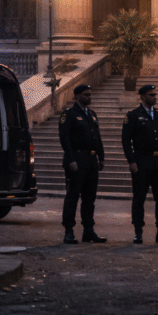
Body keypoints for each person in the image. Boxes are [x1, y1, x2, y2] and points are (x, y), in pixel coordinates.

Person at [121, 84, 158, 244]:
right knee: (139, 198)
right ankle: (138, 232)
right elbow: (126, 140)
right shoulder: (133, 115)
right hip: (142, 161)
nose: (154, 97)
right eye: (151, 95)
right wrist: (131, 161)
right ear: (143, 97)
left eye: (155, 94)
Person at [58, 84, 106, 244]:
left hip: (91, 161)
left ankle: (88, 230)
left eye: (90, 95)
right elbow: (64, 138)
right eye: (86, 95)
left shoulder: (92, 115)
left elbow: (97, 137)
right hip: (77, 160)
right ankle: (69, 231)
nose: (89, 98)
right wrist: (71, 159)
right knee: (72, 197)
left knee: (89, 199)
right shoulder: (69, 115)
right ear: (77, 96)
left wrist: (101, 156)